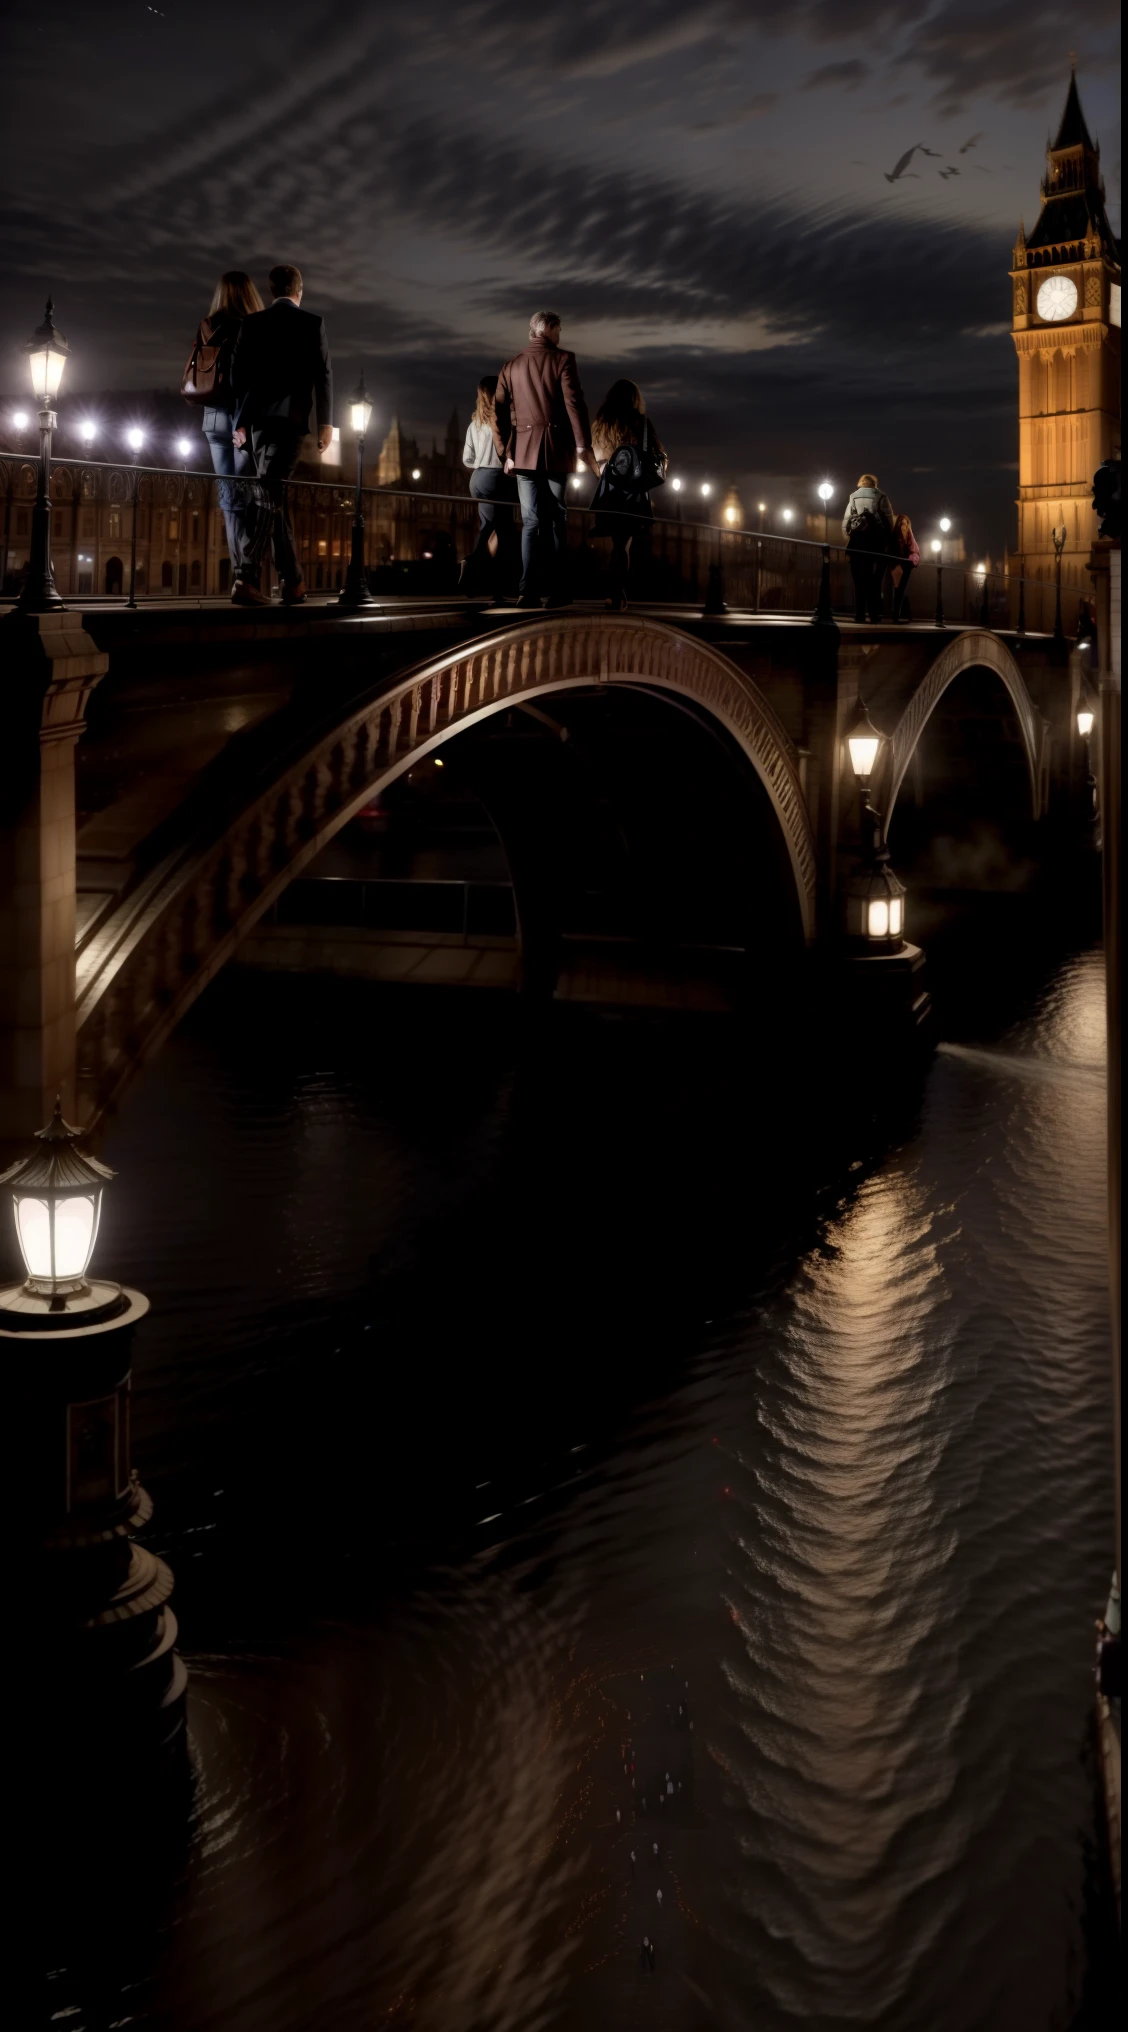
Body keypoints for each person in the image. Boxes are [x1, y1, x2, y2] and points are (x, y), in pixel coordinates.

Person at [230, 264, 333, 606]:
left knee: (273, 498)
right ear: (299, 291)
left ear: (272, 291)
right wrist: (325, 424)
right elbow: (323, 377)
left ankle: (293, 582)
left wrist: (242, 421)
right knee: (272, 497)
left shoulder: (252, 323)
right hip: (291, 424)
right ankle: (246, 577)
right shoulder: (312, 323)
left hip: (259, 425)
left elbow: (238, 378)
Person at [492, 311, 599, 607]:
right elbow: (573, 403)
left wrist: (506, 451)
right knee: (556, 520)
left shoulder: (510, 366)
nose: (560, 335)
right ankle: (557, 591)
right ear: (549, 329)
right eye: (559, 329)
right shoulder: (563, 360)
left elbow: (497, 412)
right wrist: (582, 445)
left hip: (522, 454)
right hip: (555, 451)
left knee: (530, 522)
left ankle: (527, 591)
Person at [183, 271, 263, 595]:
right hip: (241, 419)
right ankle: (247, 576)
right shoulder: (252, 325)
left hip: (212, 419)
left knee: (229, 499)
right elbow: (254, 381)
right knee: (249, 497)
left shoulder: (207, 324)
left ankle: (238, 576)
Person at [591, 379, 666, 611]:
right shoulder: (641, 423)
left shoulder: (601, 423)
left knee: (611, 543)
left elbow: (592, 454)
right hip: (632, 494)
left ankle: (608, 591)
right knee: (622, 544)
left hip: (608, 490)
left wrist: (603, 474)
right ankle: (616, 593)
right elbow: (660, 457)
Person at [461, 376, 515, 596]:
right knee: (503, 531)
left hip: (478, 478)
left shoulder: (474, 424)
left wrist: (479, 465)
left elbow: (466, 459)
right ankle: (486, 575)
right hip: (498, 478)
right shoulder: (503, 420)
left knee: (488, 527)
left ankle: (477, 574)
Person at [842, 472, 894, 623]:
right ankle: (874, 615)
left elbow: (847, 522)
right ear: (874, 484)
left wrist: (850, 537)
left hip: (857, 545)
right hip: (875, 545)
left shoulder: (853, 496)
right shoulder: (881, 496)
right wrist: (886, 540)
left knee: (858, 581)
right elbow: (889, 521)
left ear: (861, 483)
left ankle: (859, 615)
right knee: (874, 581)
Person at [888, 512, 920, 620]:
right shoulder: (894, 537)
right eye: (902, 524)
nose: (904, 526)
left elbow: (915, 551)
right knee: (897, 589)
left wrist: (912, 560)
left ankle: (898, 614)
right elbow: (891, 551)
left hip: (906, 566)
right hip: (896, 565)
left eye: (906, 524)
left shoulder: (910, 537)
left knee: (901, 590)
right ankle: (895, 615)